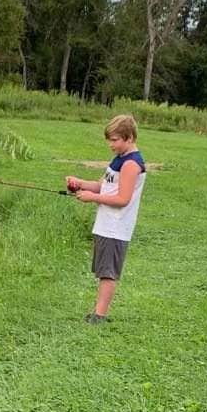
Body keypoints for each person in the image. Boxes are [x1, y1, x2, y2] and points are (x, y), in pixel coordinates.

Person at [65, 113, 147, 324]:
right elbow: (103, 185)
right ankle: (98, 312)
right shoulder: (119, 159)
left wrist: (92, 198)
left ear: (129, 138)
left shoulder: (131, 164)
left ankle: (99, 316)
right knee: (103, 269)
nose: (110, 144)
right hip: (106, 223)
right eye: (109, 139)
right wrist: (80, 183)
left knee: (108, 272)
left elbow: (122, 198)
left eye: (115, 140)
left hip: (116, 227)